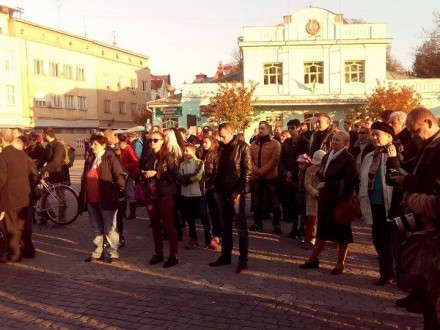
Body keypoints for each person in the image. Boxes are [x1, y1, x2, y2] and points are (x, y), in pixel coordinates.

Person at [391, 107, 440, 328]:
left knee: (433, 288)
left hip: (434, 221)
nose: (412, 135)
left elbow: (432, 186)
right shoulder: (428, 144)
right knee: (427, 282)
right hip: (428, 219)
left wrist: (413, 191)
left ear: (429, 122)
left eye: (415, 130)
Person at [299, 131, 358, 275]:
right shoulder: (327, 156)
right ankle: (313, 259)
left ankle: (340, 263)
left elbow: (350, 180)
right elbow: (320, 174)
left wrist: (328, 184)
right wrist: (320, 182)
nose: (334, 142)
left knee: (342, 233)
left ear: (346, 144)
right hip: (325, 200)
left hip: (341, 201)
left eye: (338, 140)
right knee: (322, 231)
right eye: (334, 139)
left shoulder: (348, 159)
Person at [359, 122, 400, 285]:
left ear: (389, 137)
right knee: (378, 239)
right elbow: (362, 178)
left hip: (391, 204)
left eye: (378, 134)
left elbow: (397, 179)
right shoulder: (370, 154)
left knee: (392, 241)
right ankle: (386, 273)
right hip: (374, 202)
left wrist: (393, 158)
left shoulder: (396, 154)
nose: (374, 137)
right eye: (373, 134)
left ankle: (395, 274)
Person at [209, 122, 252, 274]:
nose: (220, 139)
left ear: (230, 133)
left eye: (222, 136)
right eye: (219, 136)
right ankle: (225, 256)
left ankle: (243, 260)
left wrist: (238, 191)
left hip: (235, 193)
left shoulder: (243, 147)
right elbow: (216, 169)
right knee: (224, 226)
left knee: (240, 228)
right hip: (221, 191)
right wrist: (215, 188)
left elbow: (247, 172)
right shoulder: (220, 147)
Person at [78, 134, 126, 264]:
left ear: (103, 145)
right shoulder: (90, 159)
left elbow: (120, 176)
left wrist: (114, 191)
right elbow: (84, 179)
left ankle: (113, 253)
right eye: (92, 144)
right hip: (92, 200)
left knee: (110, 227)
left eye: (95, 144)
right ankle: (98, 252)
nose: (92, 146)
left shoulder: (110, 157)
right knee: (96, 228)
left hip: (106, 199)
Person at [141, 131, 179, 268]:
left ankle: (173, 255)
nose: (152, 143)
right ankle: (158, 253)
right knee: (155, 226)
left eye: (155, 140)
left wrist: (157, 174)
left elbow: (175, 175)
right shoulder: (147, 156)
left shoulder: (168, 156)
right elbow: (141, 170)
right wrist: (144, 176)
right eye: (150, 140)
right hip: (151, 195)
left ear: (163, 141)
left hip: (164, 194)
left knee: (169, 226)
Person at [0, 129, 38, 263]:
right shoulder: (22, 155)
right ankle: (27, 250)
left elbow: (1, 179)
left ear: (2, 140)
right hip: (24, 196)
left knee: (11, 226)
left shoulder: (3, 156)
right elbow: (31, 174)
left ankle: (14, 254)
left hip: (10, 197)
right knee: (21, 225)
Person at [178, 143, 217, 250]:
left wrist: (186, 179)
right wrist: (184, 180)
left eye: (187, 151)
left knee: (204, 216)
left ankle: (208, 239)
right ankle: (193, 238)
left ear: (193, 151)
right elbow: (178, 176)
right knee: (189, 218)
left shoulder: (199, 163)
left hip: (198, 194)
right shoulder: (182, 164)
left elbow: (198, 176)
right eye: (184, 151)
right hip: (186, 194)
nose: (185, 153)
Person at [248, 121, 282, 234]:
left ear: (268, 129)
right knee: (257, 202)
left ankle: (277, 224)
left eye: (262, 128)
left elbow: (275, 160)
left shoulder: (275, 143)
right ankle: (257, 223)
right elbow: (250, 159)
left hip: (270, 177)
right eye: (259, 128)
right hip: (257, 177)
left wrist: (262, 171)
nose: (260, 130)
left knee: (275, 202)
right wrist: (255, 170)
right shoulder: (253, 144)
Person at [278, 119, 310, 238]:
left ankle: (302, 228)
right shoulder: (286, 142)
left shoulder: (304, 142)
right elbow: (281, 159)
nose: (291, 130)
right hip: (288, 176)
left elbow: (306, 159)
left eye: (293, 127)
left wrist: (296, 172)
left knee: (300, 203)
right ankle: (294, 227)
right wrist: (285, 172)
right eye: (289, 128)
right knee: (290, 202)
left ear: (298, 128)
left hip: (299, 175)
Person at [200, 136, 221, 249]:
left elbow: (217, 173)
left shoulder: (216, 155)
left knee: (215, 212)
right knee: (206, 212)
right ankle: (209, 235)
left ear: (212, 143)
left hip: (212, 187)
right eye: (203, 142)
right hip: (203, 187)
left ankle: (218, 235)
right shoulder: (202, 154)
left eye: (206, 142)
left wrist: (210, 183)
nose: (204, 144)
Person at [303, 150, 326, 250]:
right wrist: (315, 193)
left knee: (322, 221)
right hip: (313, 198)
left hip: (324, 199)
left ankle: (319, 240)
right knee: (312, 220)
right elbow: (307, 184)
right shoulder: (310, 169)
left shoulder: (327, 169)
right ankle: (308, 239)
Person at [118, 134, 140, 220]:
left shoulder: (129, 149)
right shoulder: (121, 149)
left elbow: (136, 161)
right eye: (120, 142)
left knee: (129, 192)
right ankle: (123, 212)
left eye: (123, 142)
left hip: (128, 173)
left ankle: (132, 213)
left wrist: (126, 166)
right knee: (123, 192)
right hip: (123, 173)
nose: (121, 144)